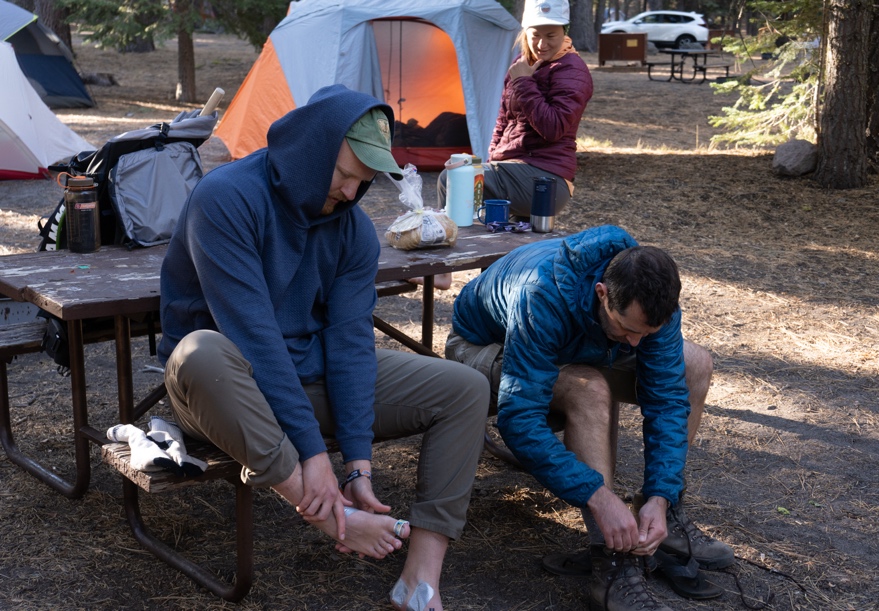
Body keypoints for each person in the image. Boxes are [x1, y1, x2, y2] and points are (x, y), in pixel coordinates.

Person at [157, 84, 490, 611]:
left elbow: (351, 341)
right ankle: (329, 516)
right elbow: (254, 339)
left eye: (364, 181)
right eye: (346, 174)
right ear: (313, 149)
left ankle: (420, 577)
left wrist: (357, 465)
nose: (352, 192)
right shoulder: (226, 199)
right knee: (201, 352)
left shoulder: (353, 229)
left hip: (305, 381)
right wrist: (313, 456)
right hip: (227, 392)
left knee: (466, 388)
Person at [445, 225, 734, 611]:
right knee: (589, 387)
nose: (636, 343)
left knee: (693, 363)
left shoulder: (653, 300)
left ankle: (659, 519)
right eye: (629, 330)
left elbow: (666, 399)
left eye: (645, 334)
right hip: (486, 344)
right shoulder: (541, 294)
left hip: (581, 340)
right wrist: (597, 496)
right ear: (602, 293)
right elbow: (519, 419)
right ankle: (611, 559)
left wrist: (661, 494)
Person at [424, 0, 593, 291]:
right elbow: (502, 124)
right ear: (525, 32)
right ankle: (488, 291)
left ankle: (442, 269)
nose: (541, 43)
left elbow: (554, 128)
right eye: (535, 34)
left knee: (450, 180)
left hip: (546, 180)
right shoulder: (520, 67)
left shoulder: (572, 70)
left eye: (550, 35)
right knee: (471, 186)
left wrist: (525, 84)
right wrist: (485, 164)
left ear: (565, 31)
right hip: (512, 169)